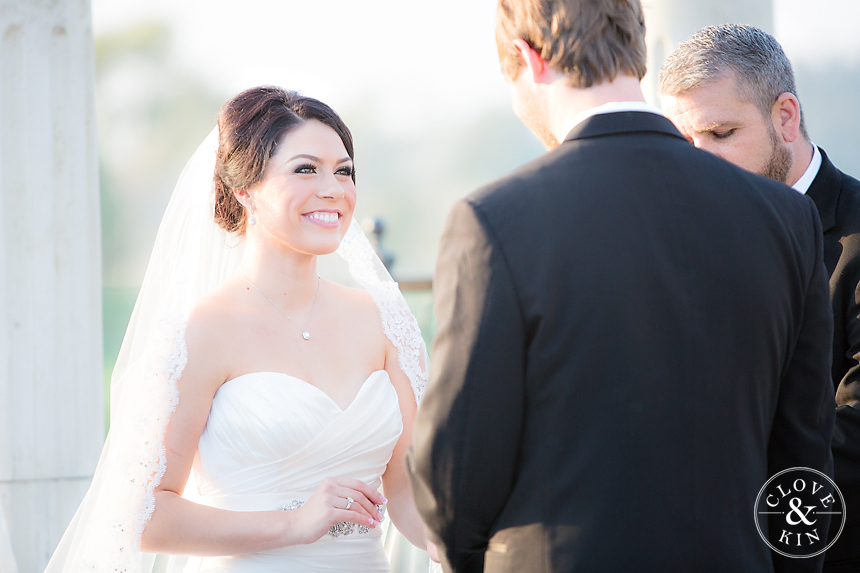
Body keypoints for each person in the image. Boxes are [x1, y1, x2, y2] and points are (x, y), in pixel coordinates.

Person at [406, 1, 835, 571]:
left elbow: (455, 474)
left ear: (527, 58)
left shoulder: (494, 220)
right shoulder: (785, 217)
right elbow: (803, 460)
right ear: (637, 47)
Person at [45, 87, 435, 572]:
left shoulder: (385, 322)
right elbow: (143, 517)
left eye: (344, 170)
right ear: (244, 191)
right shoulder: (201, 330)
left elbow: (407, 493)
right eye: (306, 169)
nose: (333, 188)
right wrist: (292, 525)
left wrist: (480, 549)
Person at [659, 25, 860, 571]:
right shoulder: (675, 248)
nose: (699, 164)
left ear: (786, 117)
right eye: (686, 144)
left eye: (721, 133)